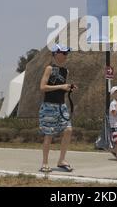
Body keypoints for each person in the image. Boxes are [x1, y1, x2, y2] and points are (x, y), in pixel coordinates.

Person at [38, 44, 77, 172]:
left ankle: (61, 160)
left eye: (67, 53)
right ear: (56, 54)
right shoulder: (49, 68)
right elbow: (43, 87)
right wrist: (61, 87)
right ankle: (44, 163)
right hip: (49, 106)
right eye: (64, 53)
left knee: (68, 130)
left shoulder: (66, 71)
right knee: (49, 135)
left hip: (61, 106)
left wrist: (69, 87)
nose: (66, 56)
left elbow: (62, 87)